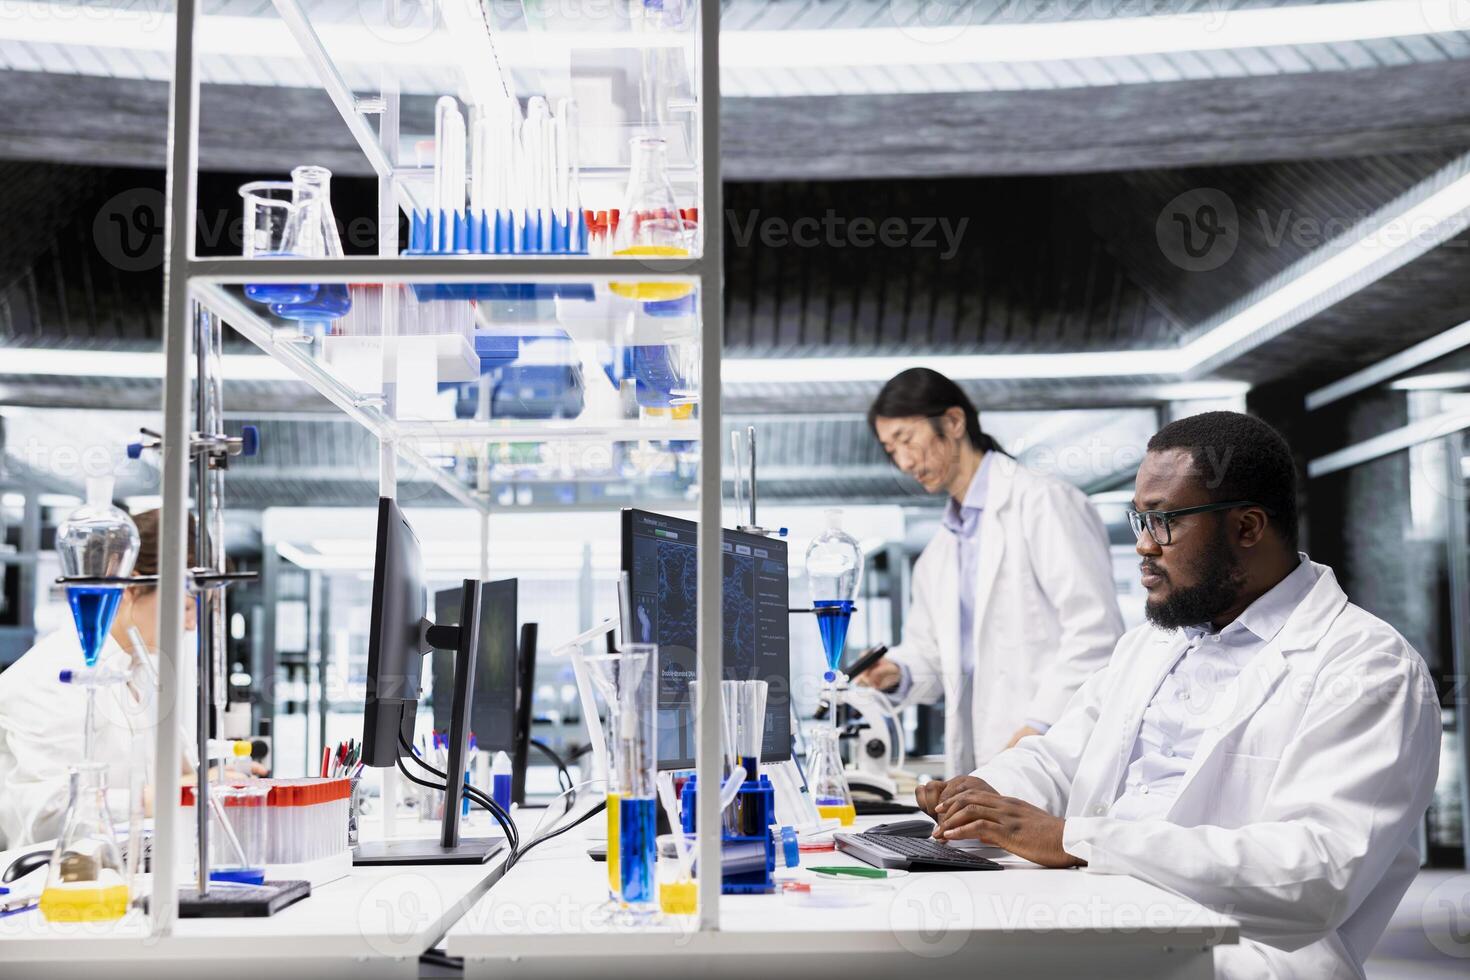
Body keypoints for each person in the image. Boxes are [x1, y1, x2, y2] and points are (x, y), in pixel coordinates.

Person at [916, 411, 1440, 979]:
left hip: (1237, 958)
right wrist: (983, 795)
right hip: (1095, 910)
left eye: (1164, 522)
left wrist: (1075, 840)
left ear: (1247, 527)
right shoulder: (1149, 646)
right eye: (1139, 518)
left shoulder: (1367, 666)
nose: (1143, 546)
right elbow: (1058, 756)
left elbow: (1314, 874)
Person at [859, 368, 1124, 774]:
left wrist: (1039, 726)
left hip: (1053, 753)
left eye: (907, 439)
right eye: (891, 449)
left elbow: (1097, 634)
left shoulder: (1043, 503)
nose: (905, 461)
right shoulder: (938, 554)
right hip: (983, 767)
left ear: (953, 422)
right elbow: (935, 660)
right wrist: (898, 671)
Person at [0, 509, 204, 849]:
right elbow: (48, 819)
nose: (192, 624)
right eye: (185, 607)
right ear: (128, 587)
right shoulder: (54, 675)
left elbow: (182, 778)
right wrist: (186, 792)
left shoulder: (143, 674)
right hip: (53, 888)